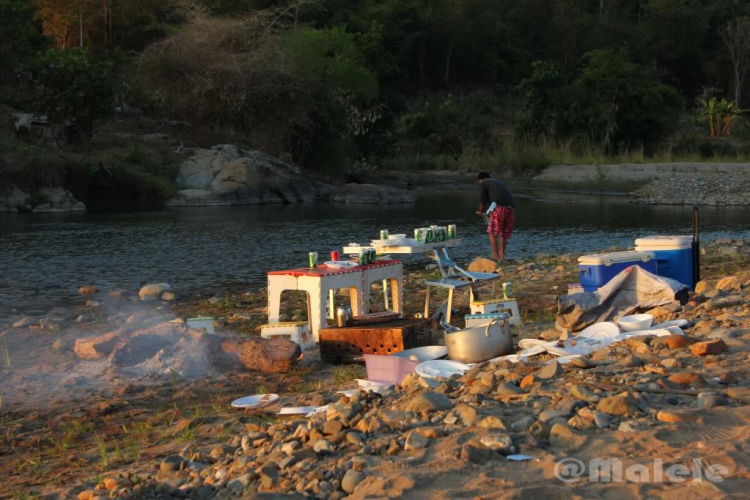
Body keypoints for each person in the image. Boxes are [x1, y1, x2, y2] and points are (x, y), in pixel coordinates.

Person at [476, 172, 515, 262]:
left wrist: (480, 212)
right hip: (511, 209)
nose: (479, 185)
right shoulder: (497, 182)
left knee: (492, 232)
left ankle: (495, 256)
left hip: (499, 208)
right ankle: (501, 257)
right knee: (503, 233)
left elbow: (482, 200)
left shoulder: (484, 183)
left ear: (480, 180)